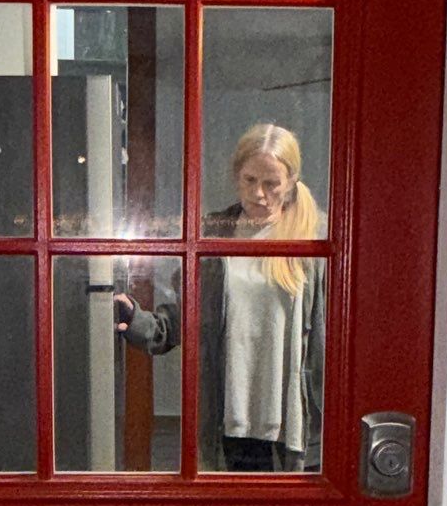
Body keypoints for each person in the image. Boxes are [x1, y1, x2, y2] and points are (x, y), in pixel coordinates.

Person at [115, 123, 325, 472]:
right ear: (236, 176)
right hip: (230, 414)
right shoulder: (213, 234)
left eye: (271, 183)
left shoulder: (316, 237)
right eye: (250, 180)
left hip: (295, 420)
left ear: (290, 181)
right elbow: (182, 319)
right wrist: (136, 321)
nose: (259, 194)